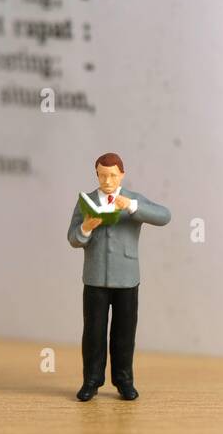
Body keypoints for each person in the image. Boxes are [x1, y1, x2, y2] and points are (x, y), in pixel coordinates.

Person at [66, 152, 170, 401]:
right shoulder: (87, 201)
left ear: (122, 174)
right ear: (97, 175)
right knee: (93, 332)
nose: (107, 180)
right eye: (102, 175)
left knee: (124, 333)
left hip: (126, 277)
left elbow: (164, 216)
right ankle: (91, 380)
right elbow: (72, 238)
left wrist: (132, 207)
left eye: (112, 175)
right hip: (95, 279)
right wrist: (85, 228)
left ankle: (124, 380)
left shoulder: (132, 199)